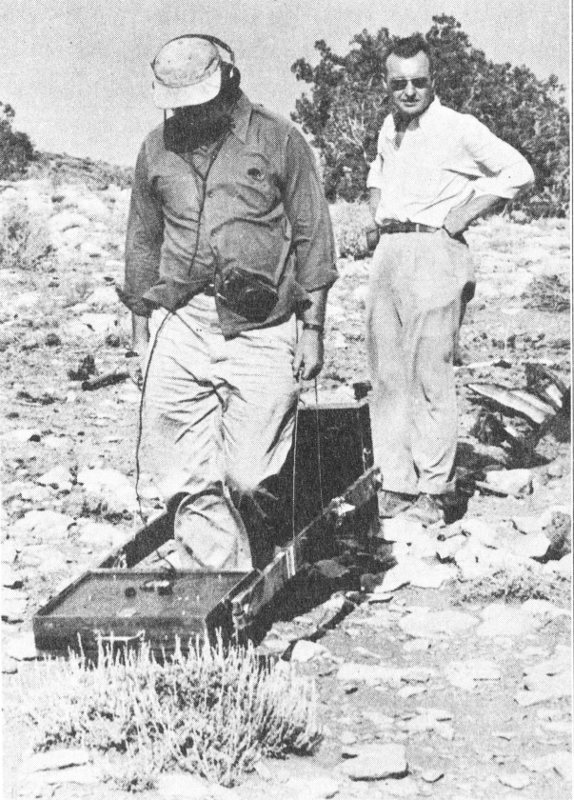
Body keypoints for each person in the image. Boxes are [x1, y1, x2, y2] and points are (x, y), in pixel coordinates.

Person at [119, 34, 337, 570]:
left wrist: (312, 331)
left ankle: (257, 535)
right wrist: (140, 334)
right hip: (182, 322)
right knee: (180, 466)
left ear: (228, 82)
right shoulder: (155, 149)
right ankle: (216, 571)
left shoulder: (279, 140)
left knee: (249, 474)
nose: (189, 114)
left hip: (262, 324)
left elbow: (313, 238)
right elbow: (143, 241)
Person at [366, 34, 534, 526]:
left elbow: (518, 171)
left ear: (433, 81)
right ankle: (396, 484)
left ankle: (434, 489)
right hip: (390, 252)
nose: (409, 91)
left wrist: (465, 213)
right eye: (399, 83)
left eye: (419, 82)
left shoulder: (458, 128)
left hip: (435, 252)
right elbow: (377, 174)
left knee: (430, 375)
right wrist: (378, 212)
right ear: (387, 84)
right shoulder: (389, 127)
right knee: (387, 376)